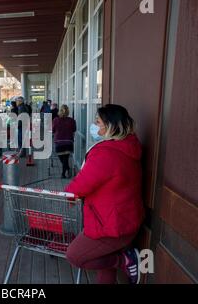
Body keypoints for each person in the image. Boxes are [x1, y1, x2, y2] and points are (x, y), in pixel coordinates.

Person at [65, 104, 145, 284]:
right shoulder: (128, 145)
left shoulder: (106, 154)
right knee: (105, 270)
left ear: (111, 125)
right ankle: (120, 259)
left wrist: (68, 196)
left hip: (110, 227)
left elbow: (81, 185)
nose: (94, 125)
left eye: (98, 122)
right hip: (124, 220)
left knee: (75, 256)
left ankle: (124, 260)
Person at [52, 105, 76, 178]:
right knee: (66, 158)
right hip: (69, 142)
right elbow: (74, 129)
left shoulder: (55, 120)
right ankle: (67, 169)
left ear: (59, 111)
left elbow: (53, 130)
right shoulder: (72, 120)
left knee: (62, 158)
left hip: (59, 142)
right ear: (68, 111)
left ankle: (63, 173)